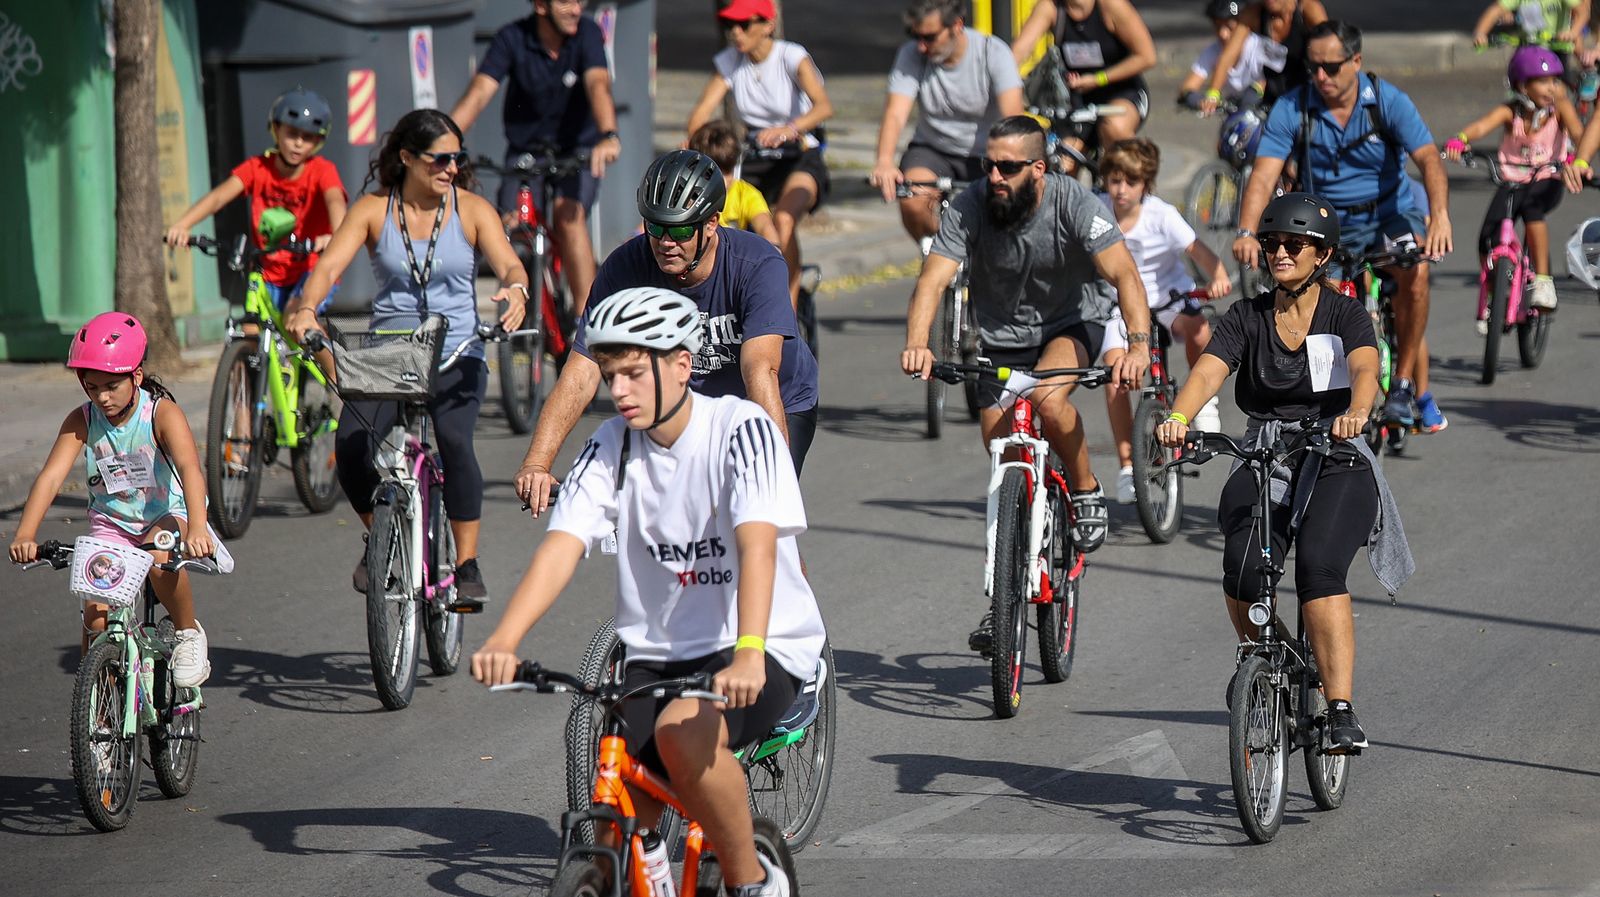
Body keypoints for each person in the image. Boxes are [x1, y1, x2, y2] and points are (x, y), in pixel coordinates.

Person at [475, 286, 823, 897]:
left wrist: (748, 650)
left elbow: (757, 545)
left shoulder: (740, 430)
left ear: (682, 366)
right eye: (611, 375)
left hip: (760, 643)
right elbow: (562, 546)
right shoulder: (612, 445)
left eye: (634, 372)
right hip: (660, 653)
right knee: (624, 799)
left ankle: (751, 882)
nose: (620, 391)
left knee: (682, 736)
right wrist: (506, 636)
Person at [1156, 192, 1414, 754]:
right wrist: (1179, 414)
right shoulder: (1248, 316)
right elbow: (1209, 369)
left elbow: (1365, 366)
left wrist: (1358, 412)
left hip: (1334, 451)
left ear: (1321, 254)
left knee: (1319, 568)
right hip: (1266, 450)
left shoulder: (1344, 312)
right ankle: (1255, 656)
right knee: (1241, 566)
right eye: (1271, 244)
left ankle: (1340, 708)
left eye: (1292, 245)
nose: (1279, 253)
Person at [899, 115, 1151, 651]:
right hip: (1001, 338)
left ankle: (1085, 491)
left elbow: (1124, 274)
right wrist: (919, 341)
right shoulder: (969, 204)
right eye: (989, 164)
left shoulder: (1074, 203)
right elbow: (934, 278)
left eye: (1008, 167)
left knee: (1049, 401)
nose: (994, 175)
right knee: (1000, 449)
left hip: (1069, 324)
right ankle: (1003, 595)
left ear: (1038, 169)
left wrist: (1139, 346)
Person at [286, 109, 529, 604]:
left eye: (456, 159)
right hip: (389, 352)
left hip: (456, 349)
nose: (450, 169)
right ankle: (382, 537)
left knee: (457, 441)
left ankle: (466, 564)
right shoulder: (376, 209)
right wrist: (307, 307)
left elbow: (508, 263)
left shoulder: (472, 209)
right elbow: (330, 264)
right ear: (407, 158)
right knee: (352, 448)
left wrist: (517, 289)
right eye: (439, 159)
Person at [515, 151, 820, 517]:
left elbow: (760, 370)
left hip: (775, 401)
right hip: (685, 408)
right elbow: (582, 371)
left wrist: (772, 478)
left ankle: (785, 571)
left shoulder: (756, 265)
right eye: (655, 227)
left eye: (678, 229)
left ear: (711, 224)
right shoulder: (626, 267)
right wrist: (537, 462)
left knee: (760, 523)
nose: (664, 242)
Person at [1232, 20, 1453, 435]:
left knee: (1416, 273)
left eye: (1331, 67)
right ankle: (1322, 399)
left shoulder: (1387, 101)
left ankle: (1404, 386)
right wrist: (1246, 231)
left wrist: (1439, 215)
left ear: (1356, 61)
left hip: (1388, 215)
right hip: (1325, 223)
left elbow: (1428, 159)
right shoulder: (1293, 107)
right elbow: (1263, 176)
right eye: (1313, 67)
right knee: (1311, 298)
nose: (1321, 77)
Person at [9, 313, 215, 686]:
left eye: (111, 385)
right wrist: (26, 534)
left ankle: (188, 633)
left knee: (160, 559)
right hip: (112, 524)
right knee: (96, 614)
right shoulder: (83, 419)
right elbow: (52, 477)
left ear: (136, 376)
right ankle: (98, 710)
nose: (102, 396)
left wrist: (198, 528)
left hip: (165, 515)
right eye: (92, 387)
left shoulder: (161, 414)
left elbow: (190, 470)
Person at [448, 0, 622, 316]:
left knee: (568, 215)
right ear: (541, 5)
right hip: (527, 153)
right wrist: (444, 142)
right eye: (567, 1)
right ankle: (521, 305)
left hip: (576, 152)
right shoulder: (512, 38)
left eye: (580, 1)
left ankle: (589, 320)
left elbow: (598, 84)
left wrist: (608, 134)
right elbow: (479, 93)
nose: (577, 9)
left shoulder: (588, 33)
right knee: (510, 222)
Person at [1093, 138, 1231, 503]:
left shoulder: (1162, 215)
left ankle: (1202, 401)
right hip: (1119, 306)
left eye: (1131, 183)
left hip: (1169, 297)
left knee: (1199, 328)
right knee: (1114, 375)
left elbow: (1198, 251)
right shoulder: (1097, 211)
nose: (1121, 190)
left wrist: (1217, 275)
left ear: (1146, 185)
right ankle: (1126, 467)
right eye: (1114, 181)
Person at [686, 0, 833, 308]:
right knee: (722, 215)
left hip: (799, 154)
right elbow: (699, 115)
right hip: (755, 158)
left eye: (744, 24)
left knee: (783, 219)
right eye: (729, 26)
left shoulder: (791, 57)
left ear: (768, 25)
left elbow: (824, 106)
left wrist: (790, 129)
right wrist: (691, 150)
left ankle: (786, 309)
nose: (736, 33)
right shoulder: (730, 62)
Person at [164, 88, 347, 312]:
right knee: (251, 331)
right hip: (268, 271)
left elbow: (335, 201)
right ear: (276, 129)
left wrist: (337, 237)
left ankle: (329, 349)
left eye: (307, 137)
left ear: (318, 141)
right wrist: (183, 224)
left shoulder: (322, 171)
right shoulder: (257, 168)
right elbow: (218, 197)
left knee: (296, 319)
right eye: (291, 133)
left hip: (311, 268)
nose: (298, 143)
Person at [871, 0, 1026, 243]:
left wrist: (1011, 167)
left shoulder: (992, 52)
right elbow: (895, 113)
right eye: (915, 35)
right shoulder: (911, 54)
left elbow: (1014, 118)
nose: (921, 46)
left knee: (1000, 222)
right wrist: (884, 160)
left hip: (987, 153)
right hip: (935, 149)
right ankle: (942, 260)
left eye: (930, 37)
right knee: (913, 199)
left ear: (956, 25)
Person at [1445, 46, 1581, 319]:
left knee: (1532, 210)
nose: (1551, 87)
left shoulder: (1560, 108)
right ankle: (1494, 294)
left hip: (1547, 178)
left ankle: (1543, 281)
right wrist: (1461, 139)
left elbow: (1579, 133)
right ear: (1522, 84)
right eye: (1542, 81)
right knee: (1487, 237)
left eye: (1555, 80)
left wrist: (1576, 160)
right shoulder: (1512, 112)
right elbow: (1482, 126)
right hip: (1513, 180)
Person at [1009, 0, 1157, 149]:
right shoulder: (1051, 7)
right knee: (1065, 158)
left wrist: (1098, 79)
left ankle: (1123, 169)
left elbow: (1146, 57)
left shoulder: (1111, 6)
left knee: (1115, 128)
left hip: (1121, 91)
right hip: (1076, 98)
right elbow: (1019, 50)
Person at [1199, 0, 1330, 116]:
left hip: (1307, 93)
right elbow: (1228, 55)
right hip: (1273, 97)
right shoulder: (1254, 13)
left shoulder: (1308, 8)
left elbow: (1330, 48)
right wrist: (1213, 94)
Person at [688, 121, 781, 247]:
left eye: (728, 171)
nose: (723, 181)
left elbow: (764, 225)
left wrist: (774, 249)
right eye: (712, 174)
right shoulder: (688, 194)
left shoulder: (745, 193)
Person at [1472, 0, 1589, 86]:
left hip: (1556, 46)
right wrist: (1480, 33)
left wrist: (1572, 32)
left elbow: (1582, 13)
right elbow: (1495, 11)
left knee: (1559, 89)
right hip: (1528, 45)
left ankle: (1565, 112)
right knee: (1517, 80)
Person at [1179, 0, 1269, 108]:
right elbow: (1188, 86)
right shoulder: (1213, 51)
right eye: (1218, 27)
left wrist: (1255, 90)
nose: (1223, 34)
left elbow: (1276, 79)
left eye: (1230, 27)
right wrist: (1198, 100)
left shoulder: (1260, 47)